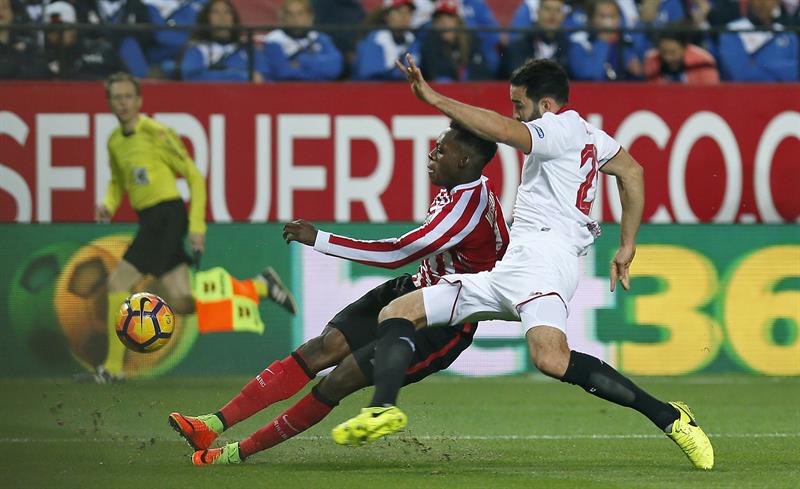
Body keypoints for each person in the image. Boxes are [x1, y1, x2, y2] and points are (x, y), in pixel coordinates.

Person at [331, 55, 715, 472]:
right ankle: (383, 408)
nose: (516, 113)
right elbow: (633, 172)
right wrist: (627, 245)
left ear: (546, 105)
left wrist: (433, 98)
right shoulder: (591, 135)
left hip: (546, 263)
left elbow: (503, 130)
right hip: (516, 266)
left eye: (519, 104)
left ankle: (671, 418)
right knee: (401, 310)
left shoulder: (559, 127)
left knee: (550, 358)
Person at [168, 122, 510, 465]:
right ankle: (210, 425)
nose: (431, 155)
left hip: (440, 322)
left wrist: (320, 239)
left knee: (341, 378)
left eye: (440, 150)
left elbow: (396, 253)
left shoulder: (469, 208)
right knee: (323, 347)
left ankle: (233, 455)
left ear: (464, 161)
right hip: (411, 291)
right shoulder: (464, 185)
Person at [94, 72, 296, 382]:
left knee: (117, 283)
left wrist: (197, 225)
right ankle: (260, 286)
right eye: (116, 98)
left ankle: (112, 368)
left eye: (127, 97)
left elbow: (193, 176)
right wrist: (108, 203)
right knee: (182, 302)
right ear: (109, 103)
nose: (122, 103)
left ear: (139, 101)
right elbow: (118, 181)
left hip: (167, 216)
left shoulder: (156, 133)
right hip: (151, 219)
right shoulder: (114, 141)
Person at [180, 0, 267, 82]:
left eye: (227, 12)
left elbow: (266, 78)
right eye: (215, 12)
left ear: (234, 18)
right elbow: (193, 78)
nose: (222, 18)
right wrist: (241, 77)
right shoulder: (197, 49)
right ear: (206, 18)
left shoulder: (247, 49)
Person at [40, 1, 125, 79]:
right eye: (51, 30)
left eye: (63, 28)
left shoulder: (100, 50)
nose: (57, 34)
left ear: (74, 28)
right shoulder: (42, 59)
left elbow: (127, 79)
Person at [717, 0, 798, 81]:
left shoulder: (786, 32)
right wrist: (778, 74)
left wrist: (758, 64)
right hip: (745, 92)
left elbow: (795, 72)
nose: (764, 3)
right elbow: (741, 75)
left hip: (785, 92)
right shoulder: (732, 31)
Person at [262, 0, 343, 81]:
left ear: (310, 17)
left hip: (321, 91)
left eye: (300, 14)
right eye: (290, 14)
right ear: (282, 17)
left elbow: (335, 68)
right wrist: (319, 72)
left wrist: (302, 60)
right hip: (287, 91)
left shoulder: (320, 38)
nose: (295, 19)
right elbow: (283, 73)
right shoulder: (274, 40)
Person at [568, 0, 644, 81]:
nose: (608, 22)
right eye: (603, 16)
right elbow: (589, 75)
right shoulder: (580, 43)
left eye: (613, 16)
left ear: (619, 19)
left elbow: (641, 78)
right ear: (592, 19)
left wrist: (638, 71)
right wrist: (603, 41)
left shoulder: (629, 44)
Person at [419, 0, 494, 81]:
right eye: (439, 19)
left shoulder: (472, 41)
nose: (445, 23)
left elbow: (482, 72)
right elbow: (434, 74)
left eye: (449, 18)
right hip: (442, 91)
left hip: (472, 90)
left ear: (458, 22)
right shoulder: (430, 44)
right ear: (435, 24)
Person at [353, 0, 420, 80]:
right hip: (373, 90)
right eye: (400, 12)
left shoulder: (413, 40)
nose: (405, 17)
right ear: (387, 16)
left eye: (409, 13)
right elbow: (370, 75)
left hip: (404, 90)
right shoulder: (376, 39)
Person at [502, 0, 569, 77]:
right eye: (547, 9)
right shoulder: (517, 47)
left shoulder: (569, 47)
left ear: (563, 16)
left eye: (558, 10)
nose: (552, 14)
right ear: (537, 12)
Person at [644, 27, 719, 83]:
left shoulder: (704, 61)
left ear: (685, 48)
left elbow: (710, 93)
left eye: (672, 52)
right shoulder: (651, 61)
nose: (667, 58)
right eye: (663, 52)